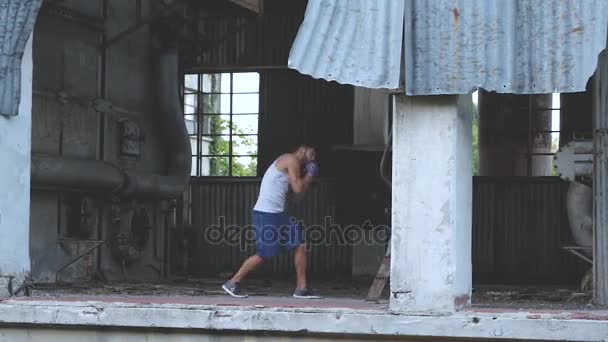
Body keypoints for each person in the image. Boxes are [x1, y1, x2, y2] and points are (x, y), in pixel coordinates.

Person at [222, 145, 321, 299]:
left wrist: (307, 177)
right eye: (311, 154)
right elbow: (297, 189)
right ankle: (233, 283)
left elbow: (296, 198)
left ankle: (302, 288)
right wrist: (309, 175)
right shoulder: (291, 159)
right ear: (301, 151)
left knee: (300, 244)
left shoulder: (291, 168)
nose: (312, 159)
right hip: (266, 214)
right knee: (265, 254)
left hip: (279, 214)